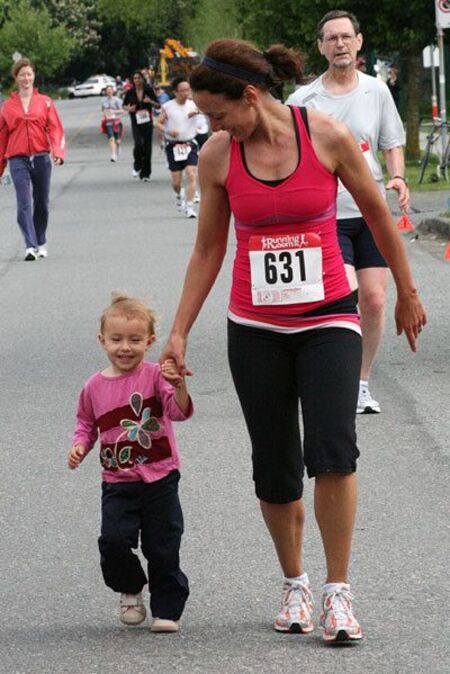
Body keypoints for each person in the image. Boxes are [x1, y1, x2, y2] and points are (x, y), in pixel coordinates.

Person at [159, 38, 426, 643]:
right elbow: (208, 249)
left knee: (334, 449)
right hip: (255, 328)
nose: (211, 124)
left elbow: (378, 214)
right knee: (274, 466)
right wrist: (177, 332)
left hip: (329, 316)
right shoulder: (219, 156)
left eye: (218, 113)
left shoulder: (325, 136)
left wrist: (407, 291)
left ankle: (338, 592)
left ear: (250, 96)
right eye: (204, 117)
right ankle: (295, 583)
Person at [286, 11, 409, 414]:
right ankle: (325, 375)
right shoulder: (303, 101)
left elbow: (391, 143)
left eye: (345, 37)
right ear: (321, 46)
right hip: (323, 216)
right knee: (340, 296)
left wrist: (398, 177)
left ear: (358, 42)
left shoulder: (376, 92)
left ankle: (359, 382)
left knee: (373, 300)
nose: (339, 44)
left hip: (369, 211)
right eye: (331, 38)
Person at [68, 293, 193, 632]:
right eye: (117, 339)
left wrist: (177, 386)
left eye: (135, 340)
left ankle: (167, 608)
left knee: (163, 545)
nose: (125, 347)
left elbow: (177, 412)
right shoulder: (93, 386)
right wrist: (80, 445)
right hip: (118, 482)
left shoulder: (155, 376)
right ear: (102, 340)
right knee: (113, 542)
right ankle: (130, 587)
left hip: (160, 478)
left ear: (150, 342)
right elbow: (85, 422)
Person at [0, 57, 65, 261]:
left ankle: (41, 240)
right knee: (23, 203)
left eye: (29, 74)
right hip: (17, 159)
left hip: (41, 158)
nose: (26, 78)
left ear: (33, 76)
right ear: (16, 78)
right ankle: (30, 245)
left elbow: (55, 128)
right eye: (22, 75)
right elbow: (2, 138)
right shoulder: (7, 107)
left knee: (42, 203)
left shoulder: (45, 102)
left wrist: (58, 152)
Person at [155, 77, 200, 218]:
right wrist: (168, 131)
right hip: (174, 146)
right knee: (176, 182)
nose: (186, 93)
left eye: (188, 90)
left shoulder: (194, 105)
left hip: (190, 143)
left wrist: (198, 112)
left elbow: (210, 112)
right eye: (182, 90)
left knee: (192, 174)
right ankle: (179, 192)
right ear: (175, 92)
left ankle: (190, 206)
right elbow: (158, 123)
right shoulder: (168, 106)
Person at [123, 71, 160, 181]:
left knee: (147, 148)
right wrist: (129, 109)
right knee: (138, 144)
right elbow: (124, 105)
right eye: (135, 78)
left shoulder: (148, 90)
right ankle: (137, 165)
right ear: (132, 80)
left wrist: (150, 101)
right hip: (135, 122)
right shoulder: (130, 92)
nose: (137, 80)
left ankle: (146, 173)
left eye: (139, 78)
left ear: (142, 79)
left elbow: (158, 105)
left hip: (147, 122)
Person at [101, 85, 124, 162]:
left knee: (117, 140)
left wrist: (114, 111)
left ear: (113, 91)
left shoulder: (117, 100)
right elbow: (103, 110)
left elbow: (122, 110)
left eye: (110, 90)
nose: (109, 91)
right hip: (109, 122)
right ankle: (113, 155)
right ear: (106, 92)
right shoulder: (103, 101)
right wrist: (105, 114)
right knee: (111, 138)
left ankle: (118, 147)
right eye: (107, 90)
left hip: (117, 122)